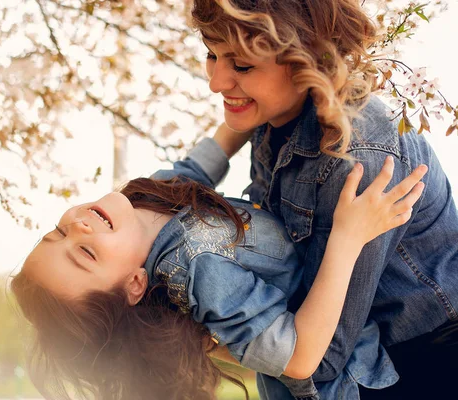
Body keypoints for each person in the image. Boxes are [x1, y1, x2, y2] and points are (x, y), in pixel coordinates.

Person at [11, 134, 426, 400]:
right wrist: (347, 237)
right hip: (344, 380)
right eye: (86, 253)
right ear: (135, 285)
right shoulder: (196, 269)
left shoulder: (139, 203)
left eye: (57, 233)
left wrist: (237, 124)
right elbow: (297, 357)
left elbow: (192, 172)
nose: (78, 227)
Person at [188, 0, 458, 398]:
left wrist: (221, 329)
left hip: (425, 366)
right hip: (371, 358)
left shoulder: (357, 158)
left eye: (242, 66)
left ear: (305, 63)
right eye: (212, 55)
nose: (216, 82)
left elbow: (323, 357)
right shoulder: (273, 119)